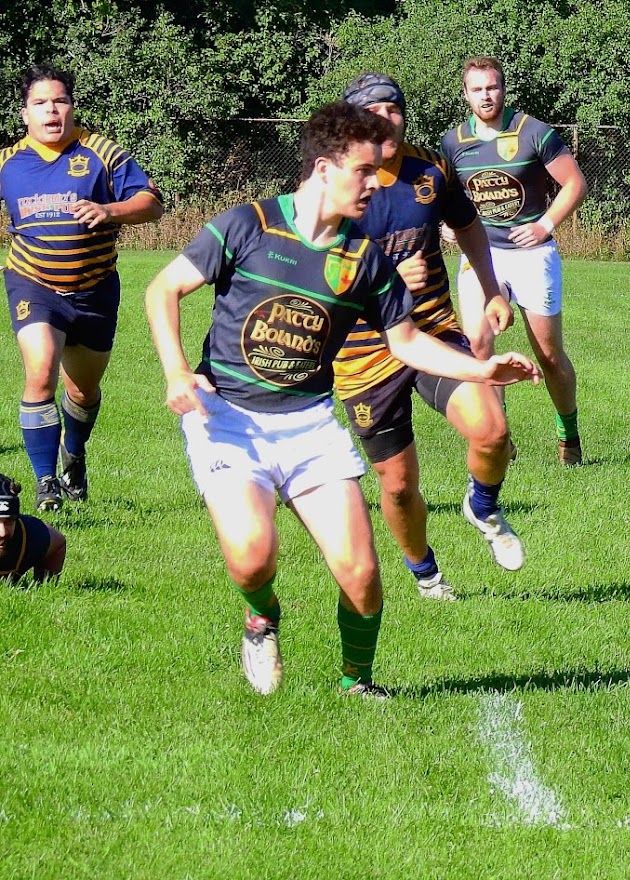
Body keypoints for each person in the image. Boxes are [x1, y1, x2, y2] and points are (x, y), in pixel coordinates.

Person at [144, 102, 541, 698]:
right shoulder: (248, 224)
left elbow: (406, 343)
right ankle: (261, 616)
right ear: (325, 168)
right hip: (226, 416)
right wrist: (176, 372)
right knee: (253, 557)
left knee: (361, 574)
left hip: (308, 421)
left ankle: (358, 684)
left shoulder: (364, 257)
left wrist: (481, 368)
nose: (374, 182)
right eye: (363, 171)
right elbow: (163, 288)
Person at [338, 73, 523, 599]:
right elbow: (317, 271)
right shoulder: (338, 184)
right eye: (373, 111)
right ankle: (427, 576)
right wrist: (389, 282)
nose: (387, 118)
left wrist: (491, 290)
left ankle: (482, 506)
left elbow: (467, 226)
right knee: (397, 487)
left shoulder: (431, 168)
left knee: (491, 430)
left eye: (394, 108)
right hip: (363, 350)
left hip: (431, 330)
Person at [0, 64, 163, 510]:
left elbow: (151, 204)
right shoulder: (8, 162)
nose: (52, 110)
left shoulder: (102, 152)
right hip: (32, 282)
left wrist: (110, 211)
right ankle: (45, 482)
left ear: (72, 107)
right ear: (25, 114)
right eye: (41, 103)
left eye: (60, 100)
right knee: (40, 372)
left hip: (94, 290)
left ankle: (74, 454)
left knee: (82, 392)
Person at [441, 56, 589, 465]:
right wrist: (449, 224)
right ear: (465, 94)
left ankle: (568, 434)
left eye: (492, 87)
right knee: (478, 343)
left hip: (532, 254)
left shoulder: (533, 132)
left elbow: (575, 183)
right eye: (477, 89)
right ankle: (499, 437)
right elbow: (446, 196)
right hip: (480, 254)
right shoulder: (453, 142)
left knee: (548, 354)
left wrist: (544, 225)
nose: (485, 96)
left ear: (503, 89)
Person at [0, 474, 66, 581]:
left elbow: (58, 542)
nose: (2, 532)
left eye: (9, 521)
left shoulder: (30, 535)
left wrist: (45, 588)